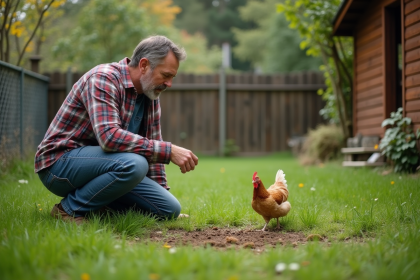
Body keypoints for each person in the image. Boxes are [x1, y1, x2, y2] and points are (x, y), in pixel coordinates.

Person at [34, 35, 198, 224]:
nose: (169, 83)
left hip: (107, 168)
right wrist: (168, 151)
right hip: (59, 165)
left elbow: (154, 146)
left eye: (172, 77)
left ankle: (99, 207)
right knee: (135, 164)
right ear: (144, 65)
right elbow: (109, 137)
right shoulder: (103, 78)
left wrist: (158, 196)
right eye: (166, 75)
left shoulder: (149, 94)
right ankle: (68, 210)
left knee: (169, 209)